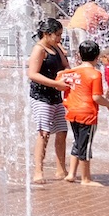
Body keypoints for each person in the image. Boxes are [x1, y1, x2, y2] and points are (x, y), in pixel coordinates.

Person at [60, 40, 109, 185]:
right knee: (86, 146)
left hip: (72, 112)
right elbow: (96, 97)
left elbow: (59, 81)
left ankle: (71, 174)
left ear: (79, 55)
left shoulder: (72, 72)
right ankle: (86, 178)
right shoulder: (95, 74)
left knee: (78, 142)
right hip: (87, 115)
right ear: (97, 56)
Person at [27, 17, 71, 184]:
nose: (60, 38)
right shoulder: (39, 49)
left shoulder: (56, 47)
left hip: (55, 96)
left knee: (62, 131)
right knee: (43, 134)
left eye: (61, 35)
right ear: (47, 34)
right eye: (57, 35)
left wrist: (68, 75)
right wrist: (56, 83)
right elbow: (32, 74)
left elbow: (66, 65)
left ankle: (61, 169)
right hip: (41, 97)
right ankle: (38, 171)